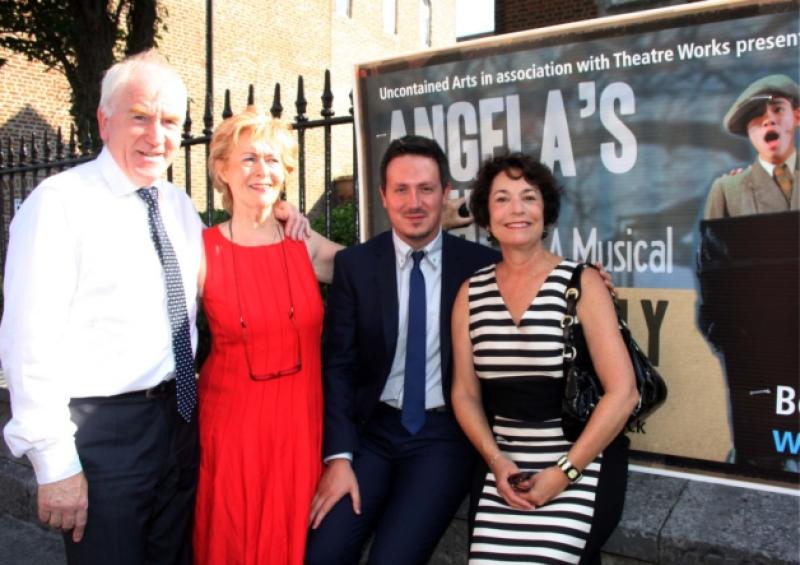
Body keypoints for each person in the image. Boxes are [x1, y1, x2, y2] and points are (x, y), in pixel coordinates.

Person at [0, 51, 306, 564]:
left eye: (169, 122)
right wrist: (55, 464)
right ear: (104, 120)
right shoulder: (59, 205)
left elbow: (235, 257)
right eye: (140, 116)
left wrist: (277, 211)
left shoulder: (177, 205)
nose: (156, 136)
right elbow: (29, 342)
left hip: (181, 423)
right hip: (105, 433)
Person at [304, 135, 501, 564]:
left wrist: (589, 280)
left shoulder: (480, 268)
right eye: (401, 189)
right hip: (370, 435)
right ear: (384, 196)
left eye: (426, 189)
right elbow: (338, 365)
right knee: (323, 553)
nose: (414, 202)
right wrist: (338, 457)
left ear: (445, 194)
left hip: (442, 437)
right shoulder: (356, 266)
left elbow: (536, 278)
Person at [450, 153, 639, 564]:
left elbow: (623, 393)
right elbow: (464, 393)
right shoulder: (470, 294)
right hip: (505, 467)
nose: (516, 209)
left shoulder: (581, 282)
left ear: (545, 211)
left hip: (580, 461)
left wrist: (563, 473)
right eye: (502, 198)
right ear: (485, 214)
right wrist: (497, 462)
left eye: (528, 197)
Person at [192, 109, 341, 564]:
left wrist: (446, 221)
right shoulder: (201, 250)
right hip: (232, 430)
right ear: (222, 169)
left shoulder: (305, 243)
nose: (263, 170)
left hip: (299, 428)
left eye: (273, 160)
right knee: (233, 539)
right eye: (249, 159)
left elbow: (382, 270)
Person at [704, 74, 799, 219]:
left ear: (797, 116)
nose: (768, 120)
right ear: (747, 129)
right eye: (756, 115)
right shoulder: (728, 190)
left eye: (778, 109)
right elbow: (712, 241)